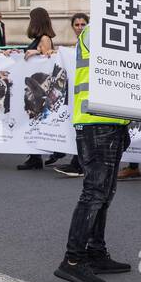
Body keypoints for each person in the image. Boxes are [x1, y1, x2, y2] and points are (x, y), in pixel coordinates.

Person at [53, 23, 132, 282]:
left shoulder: (111, 26)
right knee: (94, 193)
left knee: (105, 193)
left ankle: (95, 252)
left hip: (111, 122)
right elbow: (118, 64)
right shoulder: (100, 28)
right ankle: (73, 260)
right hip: (96, 121)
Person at [17, 8, 58, 171]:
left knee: (38, 120)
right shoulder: (40, 38)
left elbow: (47, 56)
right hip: (35, 86)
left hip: (39, 87)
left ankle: (39, 155)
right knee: (34, 121)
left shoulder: (45, 38)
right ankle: (34, 156)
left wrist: (37, 51)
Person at [50, 13, 89, 176]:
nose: (80, 28)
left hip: (87, 95)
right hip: (78, 94)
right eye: (77, 25)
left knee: (84, 130)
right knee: (79, 130)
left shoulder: (89, 41)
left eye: (82, 24)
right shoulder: (75, 46)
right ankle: (77, 162)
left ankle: (79, 165)